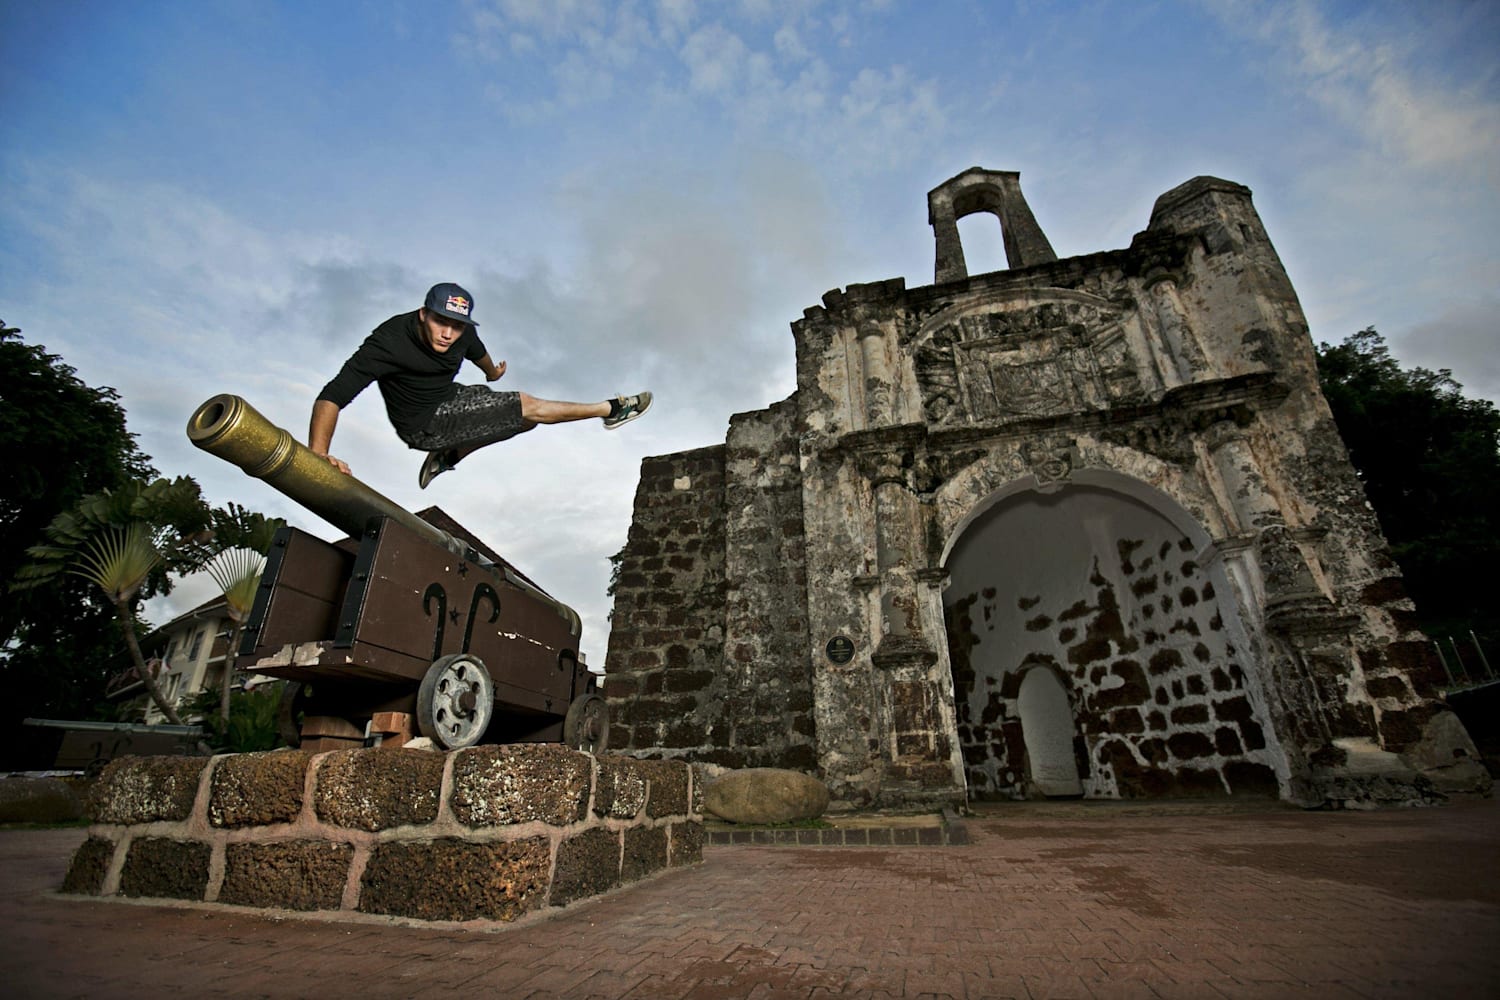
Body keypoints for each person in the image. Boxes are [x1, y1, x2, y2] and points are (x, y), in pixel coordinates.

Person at [310, 282, 652, 488]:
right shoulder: (388, 342)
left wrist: (492, 373)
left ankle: (450, 454)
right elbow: (333, 396)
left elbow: (479, 355)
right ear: (423, 315)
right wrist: (318, 454)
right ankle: (611, 409)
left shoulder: (463, 333)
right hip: (422, 425)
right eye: (440, 323)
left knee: (526, 422)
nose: (447, 334)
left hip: (453, 398)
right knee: (528, 405)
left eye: (455, 327)